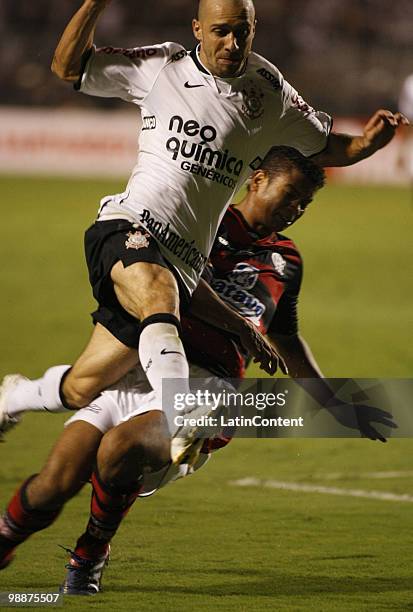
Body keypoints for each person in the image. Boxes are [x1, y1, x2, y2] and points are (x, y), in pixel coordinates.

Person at [0, 0, 407, 462]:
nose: (232, 43)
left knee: (81, 386)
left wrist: (364, 145)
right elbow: (68, 66)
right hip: (130, 226)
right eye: (220, 31)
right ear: (197, 28)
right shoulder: (163, 66)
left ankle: (14, 397)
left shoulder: (268, 89)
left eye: (242, 32)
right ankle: (184, 409)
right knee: (158, 295)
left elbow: (327, 145)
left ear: (254, 29)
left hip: (184, 264)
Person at [0, 147, 395, 594]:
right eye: (290, 195)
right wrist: (241, 325)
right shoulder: (199, 224)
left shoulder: (288, 260)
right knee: (56, 482)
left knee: (119, 450)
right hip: (139, 363)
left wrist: (333, 401)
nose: (295, 210)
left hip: (209, 388)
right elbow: (174, 284)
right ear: (258, 179)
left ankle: (91, 550)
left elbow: (285, 338)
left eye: (304, 203)